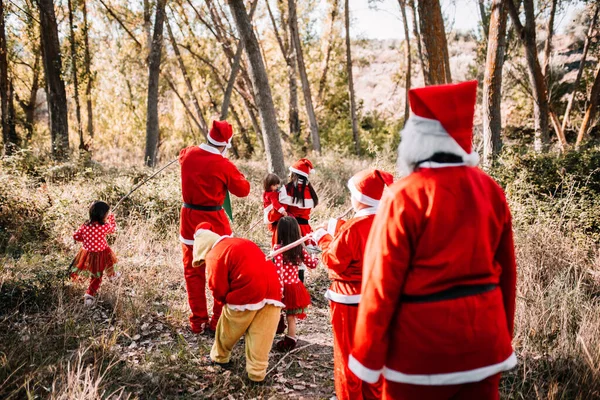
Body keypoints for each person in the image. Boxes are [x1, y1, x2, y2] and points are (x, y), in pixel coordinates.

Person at [349, 81, 517, 399]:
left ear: (418, 139)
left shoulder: (404, 194)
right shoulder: (491, 189)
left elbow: (380, 285)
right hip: (484, 346)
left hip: (420, 353)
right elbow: (507, 274)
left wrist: (367, 356)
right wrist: (501, 336)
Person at [312, 169, 393, 400]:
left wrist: (324, 238)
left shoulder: (352, 229)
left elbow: (333, 260)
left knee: (348, 356)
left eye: (352, 193)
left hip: (350, 300)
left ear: (359, 198)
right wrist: (338, 231)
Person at [179, 120, 251, 335]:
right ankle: (217, 320)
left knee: (193, 272)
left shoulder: (189, 154)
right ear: (226, 143)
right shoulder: (224, 165)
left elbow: (183, 153)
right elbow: (243, 190)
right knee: (222, 272)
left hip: (190, 221)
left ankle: (198, 322)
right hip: (215, 224)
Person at [191, 222, 283, 383]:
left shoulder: (215, 254)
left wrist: (225, 301)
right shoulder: (242, 242)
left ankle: (219, 358)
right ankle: (256, 375)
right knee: (261, 335)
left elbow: (217, 287)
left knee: (227, 329)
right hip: (274, 291)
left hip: (245, 293)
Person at [272, 217, 318, 351]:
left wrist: (279, 292)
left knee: (276, 311)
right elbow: (313, 264)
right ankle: (291, 338)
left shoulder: (278, 249)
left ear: (280, 232)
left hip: (284, 287)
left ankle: (276, 331)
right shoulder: (300, 249)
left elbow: (279, 272)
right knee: (291, 316)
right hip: (295, 286)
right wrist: (315, 252)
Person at [71, 201, 118, 306]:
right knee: (98, 274)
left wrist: (86, 239)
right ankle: (89, 295)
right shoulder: (104, 226)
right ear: (103, 215)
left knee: (101, 268)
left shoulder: (85, 226)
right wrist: (112, 219)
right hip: (101, 252)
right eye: (107, 213)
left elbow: (76, 236)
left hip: (87, 253)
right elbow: (113, 229)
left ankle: (112, 275)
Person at [279, 158, 319, 282]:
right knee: (301, 256)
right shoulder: (311, 192)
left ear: (293, 174)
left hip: (289, 227)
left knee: (286, 255)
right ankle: (299, 284)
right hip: (305, 228)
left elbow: (281, 207)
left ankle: (286, 282)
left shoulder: (287, 189)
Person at [262, 173, 287, 245]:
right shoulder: (272, 194)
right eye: (274, 185)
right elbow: (275, 204)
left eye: (277, 185)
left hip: (268, 213)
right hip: (272, 213)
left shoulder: (266, 193)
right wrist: (283, 211)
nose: (277, 186)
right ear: (269, 186)